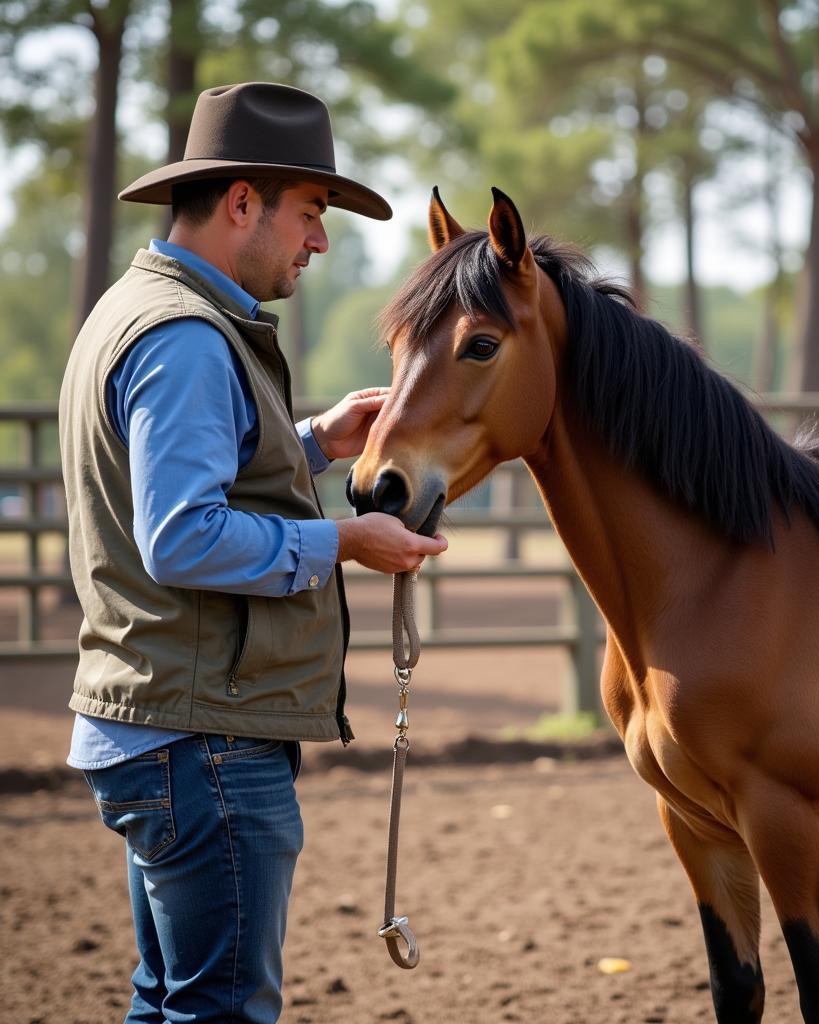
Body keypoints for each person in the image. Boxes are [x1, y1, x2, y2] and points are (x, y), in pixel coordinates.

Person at [58, 81, 446, 1024]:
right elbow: (181, 536)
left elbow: (191, 479)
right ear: (243, 203)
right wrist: (342, 540)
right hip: (206, 738)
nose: (319, 240)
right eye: (310, 212)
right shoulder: (187, 339)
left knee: (170, 1003)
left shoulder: (137, 311)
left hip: (164, 724)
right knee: (223, 1012)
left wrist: (314, 441)